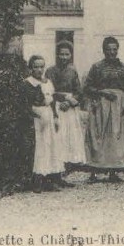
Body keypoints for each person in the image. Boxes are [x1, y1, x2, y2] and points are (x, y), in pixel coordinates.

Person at [83, 37, 124, 183]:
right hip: (100, 105)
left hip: (118, 107)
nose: (112, 52)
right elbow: (87, 87)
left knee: (114, 139)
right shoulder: (97, 67)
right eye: (108, 49)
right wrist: (102, 93)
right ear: (104, 50)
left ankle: (113, 171)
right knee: (97, 137)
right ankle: (93, 172)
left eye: (114, 49)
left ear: (117, 50)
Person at [23, 55, 66, 192]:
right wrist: (40, 105)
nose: (39, 70)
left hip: (48, 117)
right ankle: (37, 181)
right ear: (31, 68)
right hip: (37, 119)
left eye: (42, 66)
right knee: (40, 148)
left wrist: (55, 117)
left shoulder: (47, 82)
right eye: (36, 67)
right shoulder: (29, 83)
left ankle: (50, 179)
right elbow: (29, 102)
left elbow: (52, 101)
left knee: (51, 147)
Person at [47, 42, 87, 178]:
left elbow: (78, 92)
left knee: (70, 137)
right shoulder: (50, 71)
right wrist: (61, 99)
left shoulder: (73, 71)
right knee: (58, 136)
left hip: (69, 108)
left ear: (70, 55)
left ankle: (69, 165)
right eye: (61, 54)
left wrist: (70, 102)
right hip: (56, 106)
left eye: (67, 54)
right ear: (57, 55)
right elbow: (48, 91)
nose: (64, 57)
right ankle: (57, 166)